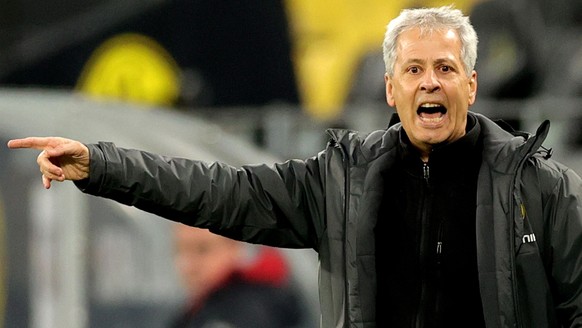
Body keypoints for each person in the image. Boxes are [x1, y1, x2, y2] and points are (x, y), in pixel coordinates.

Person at [7, 5, 582, 327]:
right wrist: (101, 165)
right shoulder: (340, 180)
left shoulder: (543, 188)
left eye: (446, 68)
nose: (429, 81)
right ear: (389, 89)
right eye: (413, 70)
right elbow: (219, 192)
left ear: (472, 84)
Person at [168, 224, 304, 328]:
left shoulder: (253, 307)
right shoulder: (196, 310)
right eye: (180, 250)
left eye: (202, 249)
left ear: (234, 247)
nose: (186, 265)